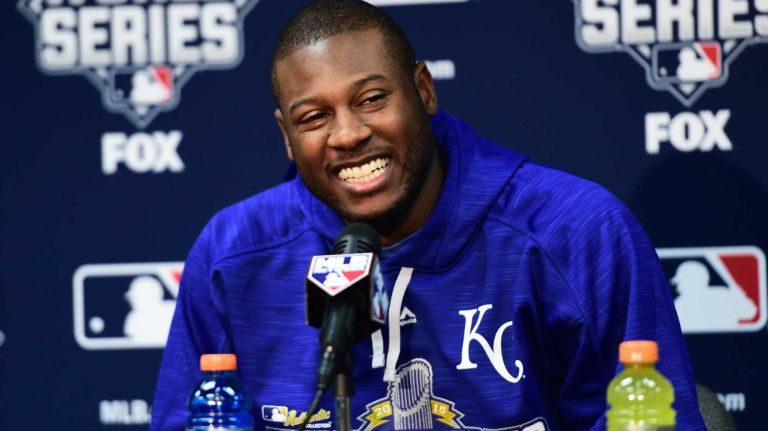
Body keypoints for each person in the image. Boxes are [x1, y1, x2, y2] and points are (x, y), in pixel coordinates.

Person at [150, 1, 706, 430]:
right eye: (315, 116)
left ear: (423, 91)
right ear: (287, 138)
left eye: (371, 99)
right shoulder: (234, 253)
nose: (347, 135)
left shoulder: (574, 231)